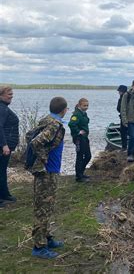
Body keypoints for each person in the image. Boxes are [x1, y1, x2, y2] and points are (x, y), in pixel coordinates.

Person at [30, 96, 68, 259]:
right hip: (47, 171)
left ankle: (47, 237)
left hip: (50, 170)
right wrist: (43, 160)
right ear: (64, 110)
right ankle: (39, 247)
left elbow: (32, 136)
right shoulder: (55, 124)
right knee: (43, 209)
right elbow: (35, 142)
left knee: (48, 206)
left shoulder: (47, 119)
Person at [0, 86, 19, 208]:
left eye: (12, 93)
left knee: (2, 171)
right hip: (3, 147)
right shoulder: (2, 109)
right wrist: (4, 145)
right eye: (9, 94)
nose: (11, 95)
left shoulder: (4, 107)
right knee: (0, 171)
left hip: (6, 146)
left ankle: (4, 194)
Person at [68, 98, 91, 182]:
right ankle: (79, 176)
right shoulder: (76, 114)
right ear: (79, 105)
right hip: (79, 138)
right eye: (84, 105)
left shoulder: (84, 114)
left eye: (87, 105)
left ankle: (81, 173)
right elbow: (71, 124)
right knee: (80, 156)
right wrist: (78, 132)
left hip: (84, 137)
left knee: (88, 156)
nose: (86, 107)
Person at [116, 85, 128, 152]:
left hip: (124, 118)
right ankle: (125, 147)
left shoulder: (122, 98)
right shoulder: (124, 98)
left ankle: (124, 147)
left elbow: (118, 109)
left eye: (119, 91)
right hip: (125, 118)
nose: (118, 92)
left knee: (123, 132)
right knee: (126, 132)